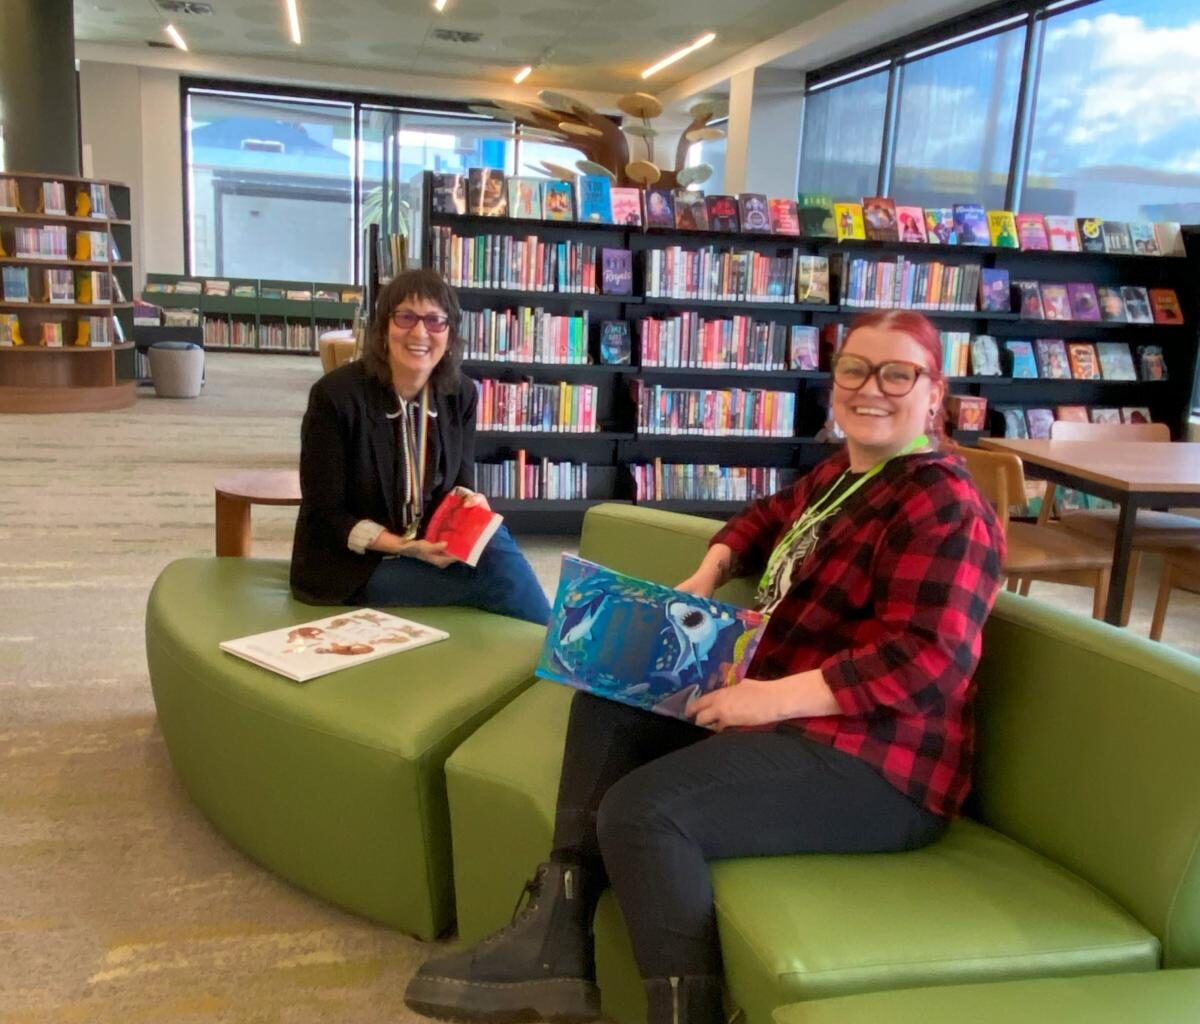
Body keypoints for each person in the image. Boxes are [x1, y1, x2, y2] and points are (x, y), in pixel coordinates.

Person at [404, 310, 1006, 1024]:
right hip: (795, 720)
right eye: (854, 369)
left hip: (881, 766)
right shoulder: (844, 477)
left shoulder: (942, 501)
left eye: (897, 373)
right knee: (612, 682)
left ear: (935, 393)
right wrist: (709, 570)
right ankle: (556, 941)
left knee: (642, 813)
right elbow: (763, 519)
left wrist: (770, 699)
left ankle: (688, 1011)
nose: (870, 387)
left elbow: (929, 660)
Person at [289, 268, 550, 625]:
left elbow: (462, 483)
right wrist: (403, 547)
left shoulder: (461, 394)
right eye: (406, 317)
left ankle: (558, 657)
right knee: (497, 579)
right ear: (383, 328)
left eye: (434, 321)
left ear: (450, 333)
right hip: (355, 566)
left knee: (496, 547)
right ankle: (564, 660)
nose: (419, 332)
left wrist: (471, 507)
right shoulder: (336, 397)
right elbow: (325, 516)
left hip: (429, 548)